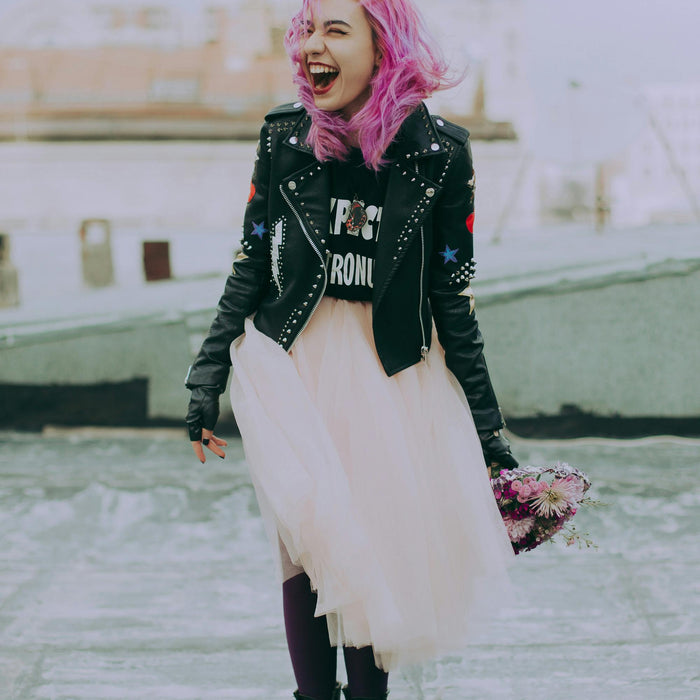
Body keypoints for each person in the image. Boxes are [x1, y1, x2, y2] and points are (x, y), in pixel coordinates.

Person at [185, 0, 519, 698]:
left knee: (374, 550)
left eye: (335, 29)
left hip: (390, 369)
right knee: (307, 550)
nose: (312, 46)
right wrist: (207, 372)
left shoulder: (441, 155)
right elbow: (251, 262)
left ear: (383, 45)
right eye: (306, 29)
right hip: (292, 363)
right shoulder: (285, 140)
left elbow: (452, 299)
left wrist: (489, 435)